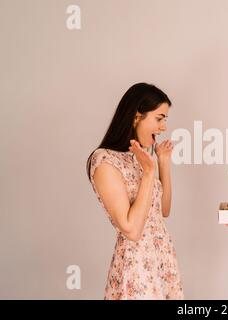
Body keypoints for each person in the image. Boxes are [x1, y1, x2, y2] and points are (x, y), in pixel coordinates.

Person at [86, 83, 183, 300]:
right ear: (136, 116)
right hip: (137, 265)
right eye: (159, 118)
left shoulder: (139, 157)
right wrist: (149, 173)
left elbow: (163, 211)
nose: (163, 127)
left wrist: (163, 163)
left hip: (162, 259)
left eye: (165, 119)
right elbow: (131, 230)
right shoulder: (104, 161)